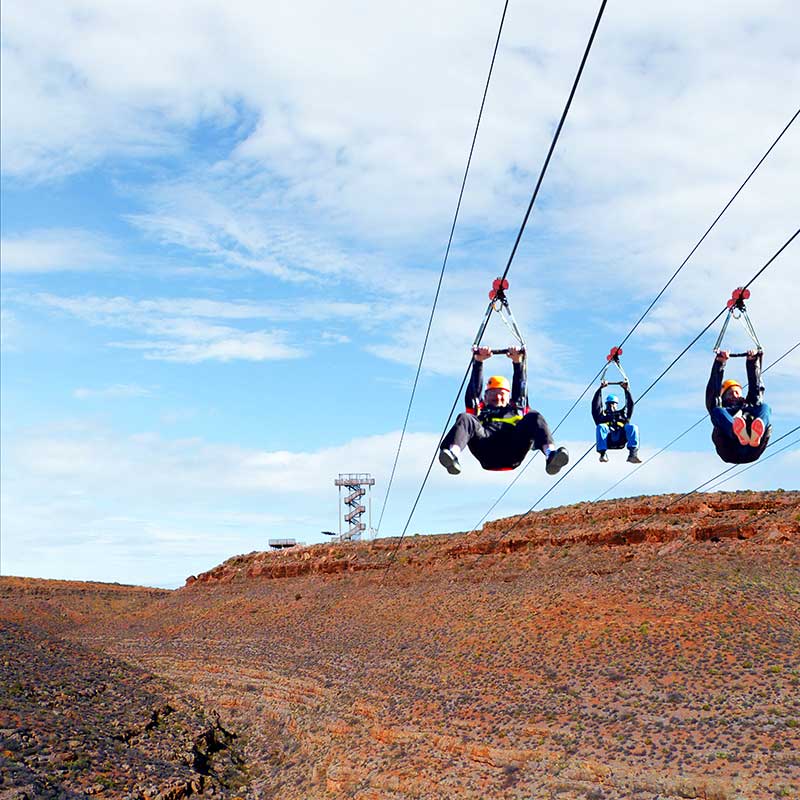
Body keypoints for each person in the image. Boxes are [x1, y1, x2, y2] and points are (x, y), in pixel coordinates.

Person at [438, 346, 569, 476]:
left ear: (508, 396)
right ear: (485, 396)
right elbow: (473, 392)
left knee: (534, 416)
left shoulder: (516, 408)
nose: (498, 397)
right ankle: (453, 455)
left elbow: (520, 389)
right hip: (486, 449)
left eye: (502, 394)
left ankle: (550, 455)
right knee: (465, 417)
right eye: (493, 393)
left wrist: (518, 361)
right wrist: (478, 361)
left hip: (513, 450)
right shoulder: (480, 409)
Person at [706, 349, 770, 464]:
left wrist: (752, 362)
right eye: (730, 393)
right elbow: (713, 392)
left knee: (764, 407)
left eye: (737, 392)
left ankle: (756, 433)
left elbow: (756, 389)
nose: (735, 395)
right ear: (724, 396)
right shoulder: (723, 408)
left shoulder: (748, 405)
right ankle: (736, 431)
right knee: (716, 411)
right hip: (730, 449)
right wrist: (720, 363)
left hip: (753, 448)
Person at [591, 380, 641, 463]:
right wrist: (600, 389)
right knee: (601, 427)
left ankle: (633, 454)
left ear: (616, 404)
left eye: (613, 404)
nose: (611, 406)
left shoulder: (623, 415)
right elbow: (595, 406)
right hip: (608, 439)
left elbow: (630, 405)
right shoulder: (602, 416)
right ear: (606, 404)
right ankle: (603, 454)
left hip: (621, 438)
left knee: (632, 427)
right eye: (609, 404)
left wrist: (626, 390)